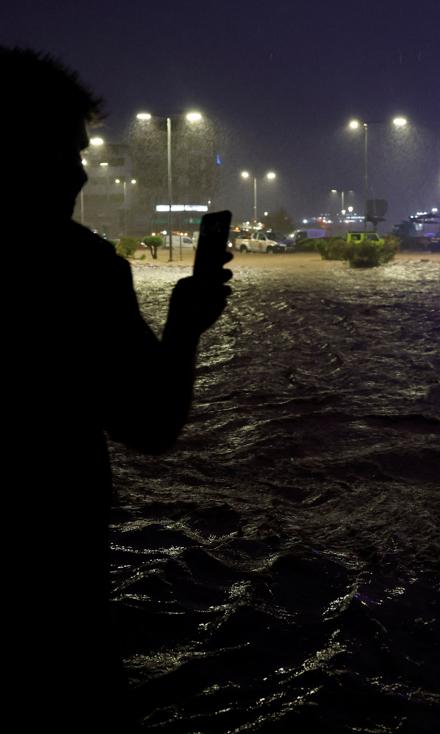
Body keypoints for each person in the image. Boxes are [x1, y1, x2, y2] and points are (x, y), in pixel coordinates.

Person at [2, 46, 232, 729]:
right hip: (58, 606)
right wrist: (185, 326)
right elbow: (152, 423)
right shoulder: (79, 270)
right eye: (65, 151)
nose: (79, 172)